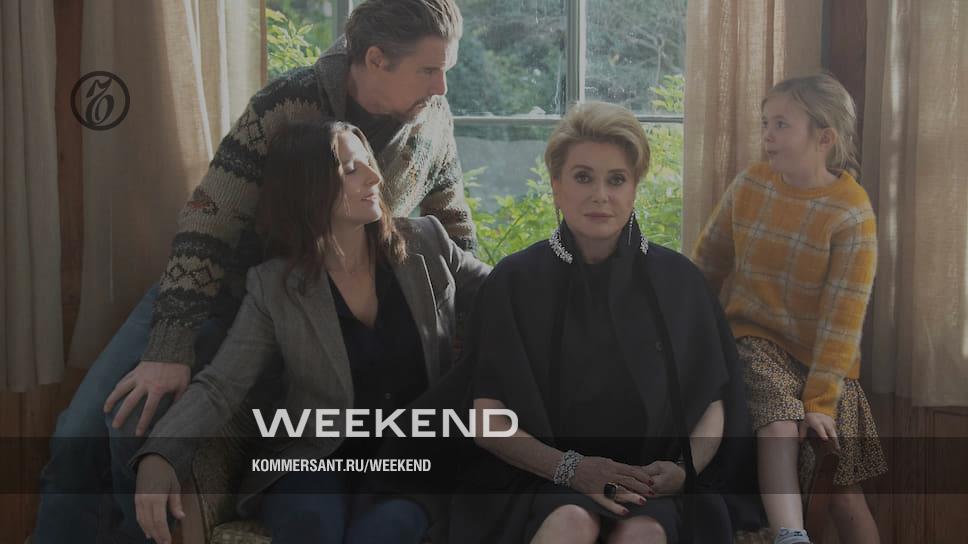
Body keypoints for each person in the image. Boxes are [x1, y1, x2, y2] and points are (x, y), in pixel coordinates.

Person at [32, 1, 475, 542]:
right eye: (429, 70)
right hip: (215, 290)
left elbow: (452, 225)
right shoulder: (286, 103)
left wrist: (473, 326)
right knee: (83, 435)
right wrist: (170, 347)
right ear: (378, 59)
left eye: (445, 70)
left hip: (309, 306)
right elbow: (209, 221)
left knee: (138, 433)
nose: (442, 88)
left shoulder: (432, 118)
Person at [132, 120, 490, 544]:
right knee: (310, 527)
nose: (374, 177)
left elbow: (505, 292)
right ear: (308, 188)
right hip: (315, 459)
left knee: (384, 532)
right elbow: (220, 386)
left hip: (416, 459)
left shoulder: (426, 243)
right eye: (350, 169)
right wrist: (160, 452)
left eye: (368, 163)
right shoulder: (274, 286)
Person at [449, 102, 756, 544]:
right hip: (542, 477)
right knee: (571, 522)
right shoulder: (513, 281)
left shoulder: (680, 281)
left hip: (652, 485)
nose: (600, 195)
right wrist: (572, 469)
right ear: (556, 187)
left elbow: (712, 401)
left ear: (634, 189)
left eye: (616, 179)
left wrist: (684, 470)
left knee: (644, 534)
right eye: (582, 177)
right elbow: (486, 419)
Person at [692, 73, 886, 544]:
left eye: (781, 124)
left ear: (824, 138)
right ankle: (791, 535)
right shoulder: (750, 185)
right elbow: (707, 263)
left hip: (825, 363)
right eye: (765, 123)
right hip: (755, 342)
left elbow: (842, 322)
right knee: (779, 422)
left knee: (843, 493)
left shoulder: (850, 212)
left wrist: (820, 403)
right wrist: (687, 332)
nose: (767, 135)